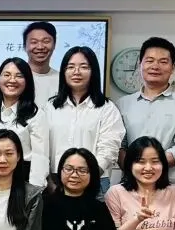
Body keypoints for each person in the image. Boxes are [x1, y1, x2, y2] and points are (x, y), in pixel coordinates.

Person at [117, 37, 175, 193]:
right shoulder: (123, 104)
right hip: (131, 190)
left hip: (172, 190)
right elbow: (120, 146)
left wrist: (148, 166)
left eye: (163, 62)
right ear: (140, 64)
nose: (155, 66)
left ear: (172, 67)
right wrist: (134, 170)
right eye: (149, 61)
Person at [47, 46, 125, 185]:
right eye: (70, 67)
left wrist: (87, 177)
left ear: (93, 71)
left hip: (95, 180)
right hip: (56, 181)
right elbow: (42, 147)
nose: (76, 72)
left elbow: (109, 148)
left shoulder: (107, 108)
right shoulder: (50, 107)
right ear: (63, 72)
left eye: (84, 67)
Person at [0, 57, 49, 188]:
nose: (12, 80)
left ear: (27, 82)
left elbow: (40, 156)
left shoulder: (36, 114)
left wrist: (34, 190)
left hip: (23, 179)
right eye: (7, 75)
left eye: (19, 76)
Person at [23, 21, 59, 104]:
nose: (40, 47)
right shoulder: (14, 79)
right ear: (24, 46)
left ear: (54, 45)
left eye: (46, 41)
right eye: (34, 42)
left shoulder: (63, 80)